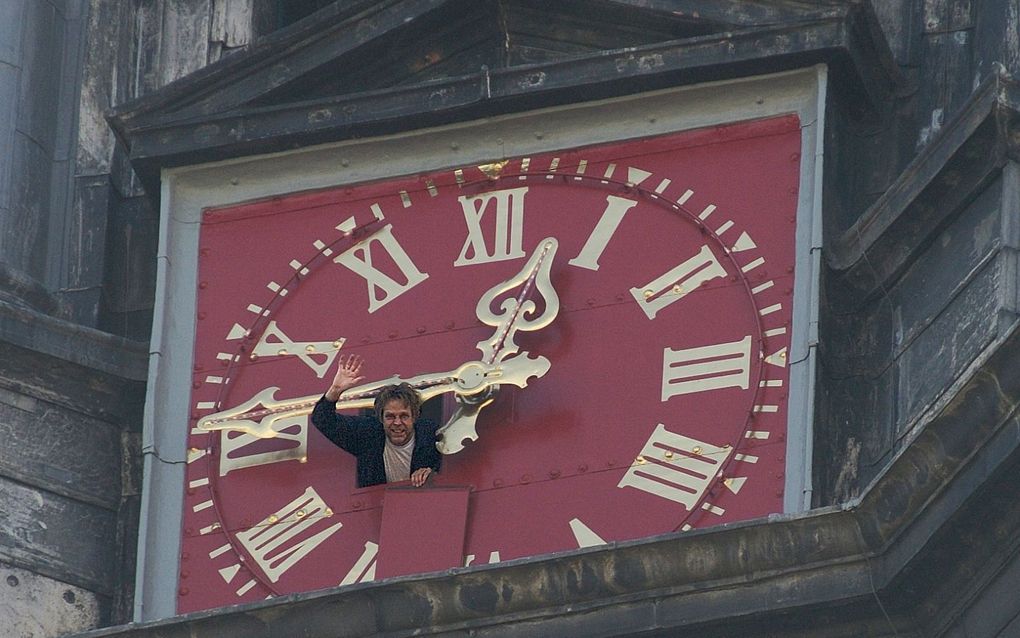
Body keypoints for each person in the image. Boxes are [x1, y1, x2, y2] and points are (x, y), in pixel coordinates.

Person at [311, 354, 441, 488]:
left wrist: (431, 471)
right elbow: (323, 420)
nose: (397, 423)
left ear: (414, 417)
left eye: (404, 416)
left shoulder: (430, 435)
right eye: (390, 416)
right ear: (381, 418)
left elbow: (450, 466)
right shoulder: (368, 434)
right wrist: (335, 390)